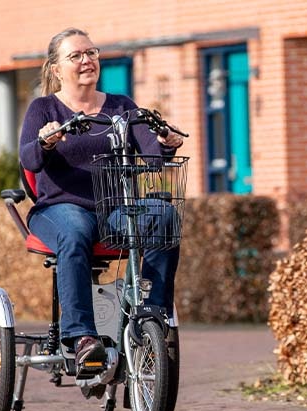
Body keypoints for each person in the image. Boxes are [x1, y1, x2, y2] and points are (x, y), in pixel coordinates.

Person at [19, 27, 184, 372]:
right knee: (76, 231)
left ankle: (153, 317)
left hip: (114, 211)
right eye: (76, 55)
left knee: (164, 216)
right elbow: (29, 160)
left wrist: (166, 143)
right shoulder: (44, 108)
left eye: (91, 53)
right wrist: (46, 141)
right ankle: (82, 338)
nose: (86, 61)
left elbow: (151, 154)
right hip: (58, 208)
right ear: (56, 68)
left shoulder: (121, 106)